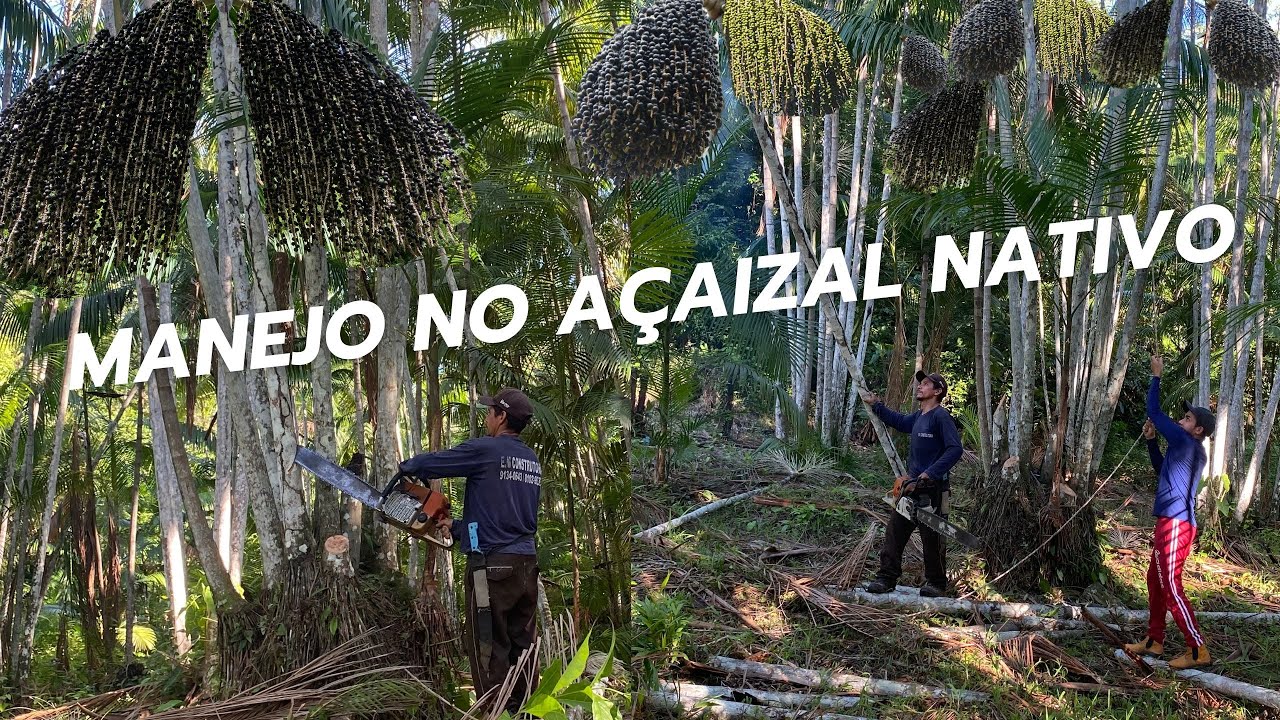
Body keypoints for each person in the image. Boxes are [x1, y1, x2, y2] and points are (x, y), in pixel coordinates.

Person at [398, 387, 543, 712]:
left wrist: (408, 466)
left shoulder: (488, 451)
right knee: (523, 651)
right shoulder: (531, 461)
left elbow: (439, 462)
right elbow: (508, 522)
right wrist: (460, 529)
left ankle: (496, 713)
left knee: (489, 651)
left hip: (489, 571)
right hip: (525, 567)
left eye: (490, 411)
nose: (487, 416)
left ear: (501, 416)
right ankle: (527, 712)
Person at [1123, 355, 1213, 669]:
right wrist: (1151, 442)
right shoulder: (1184, 448)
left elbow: (1154, 412)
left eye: (1187, 418)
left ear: (1197, 429)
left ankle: (1198, 648)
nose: (1181, 420)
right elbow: (1161, 469)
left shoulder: (1187, 442)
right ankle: (1155, 639)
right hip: (1171, 521)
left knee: (1171, 583)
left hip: (1176, 523)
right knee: (1155, 579)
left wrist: (1156, 376)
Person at [858, 370, 964, 598]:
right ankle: (886, 578)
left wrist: (931, 473)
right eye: (920, 383)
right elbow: (897, 420)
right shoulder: (918, 417)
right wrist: (877, 405)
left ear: (937, 391)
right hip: (911, 488)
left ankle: (936, 583)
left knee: (932, 537)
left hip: (935, 490)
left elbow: (955, 449)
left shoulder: (940, 417)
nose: (920, 386)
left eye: (926, 384)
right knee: (895, 530)